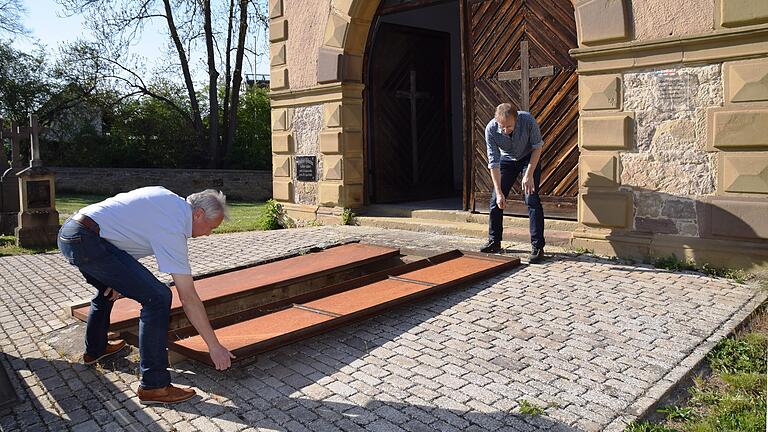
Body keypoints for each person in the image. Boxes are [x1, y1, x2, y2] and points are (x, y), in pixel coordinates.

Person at [57, 186, 235, 404]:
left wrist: (118, 277)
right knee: (158, 298)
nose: (209, 233)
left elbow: (126, 232)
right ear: (198, 214)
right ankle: (154, 386)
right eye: (211, 227)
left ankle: (96, 348)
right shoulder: (173, 227)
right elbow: (188, 298)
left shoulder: (167, 199)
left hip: (73, 233)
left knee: (107, 291)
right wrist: (214, 346)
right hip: (88, 241)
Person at [480, 103, 546, 263]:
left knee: (531, 199)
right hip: (506, 160)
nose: (505, 130)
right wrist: (499, 191)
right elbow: (493, 162)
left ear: (516, 119)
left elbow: (537, 147)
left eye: (509, 126)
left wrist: (529, 174)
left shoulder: (528, 120)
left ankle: (538, 247)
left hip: (528, 159)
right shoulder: (490, 129)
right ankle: (494, 241)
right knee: (496, 200)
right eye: (501, 127)